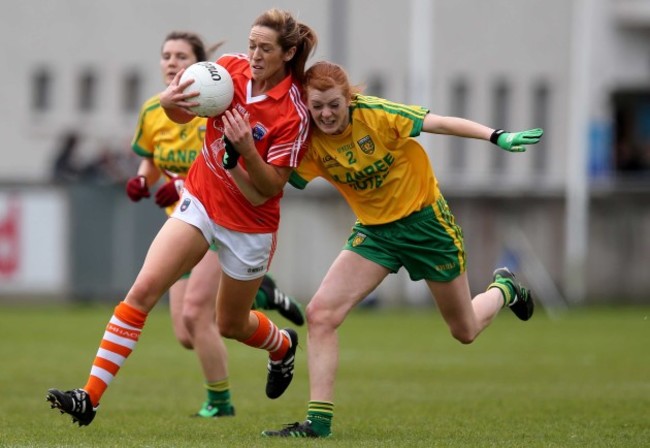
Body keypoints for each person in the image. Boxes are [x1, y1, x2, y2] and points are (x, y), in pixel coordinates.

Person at [46, 9, 318, 427]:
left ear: (289, 53)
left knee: (229, 323)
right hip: (202, 202)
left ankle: (281, 345)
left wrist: (245, 149)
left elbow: (269, 187)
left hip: (250, 227)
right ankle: (89, 397)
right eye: (251, 45)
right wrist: (172, 103)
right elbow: (181, 116)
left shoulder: (294, 113)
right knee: (142, 292)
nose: (254, 55)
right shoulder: (228, 70)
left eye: (265, 49)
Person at [262, 61, 544, 438]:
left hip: (428, 228)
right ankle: (318, 424)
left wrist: (497, 136)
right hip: (375, 235)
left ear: (349, 98)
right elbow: (271, 181)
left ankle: (504, 289)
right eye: (317, 107)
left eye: (334, 104)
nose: (326, 114)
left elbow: (440, 122)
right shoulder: (308, 139)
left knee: (464, 330)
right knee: (320, 314)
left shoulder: (377, 114)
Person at [125, 30, 305, 418]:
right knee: (185, 332)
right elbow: (154, 156)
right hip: (185, 216)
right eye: (166, 55)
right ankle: (260, 297)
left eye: (181, 56)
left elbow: (219, 164)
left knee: (199, 316)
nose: (172, 63)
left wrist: (177, 184)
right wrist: (145, 177)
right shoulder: (156, 110)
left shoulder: (213, 102)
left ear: (201, 64)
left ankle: (221, 402)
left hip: (217, 217)